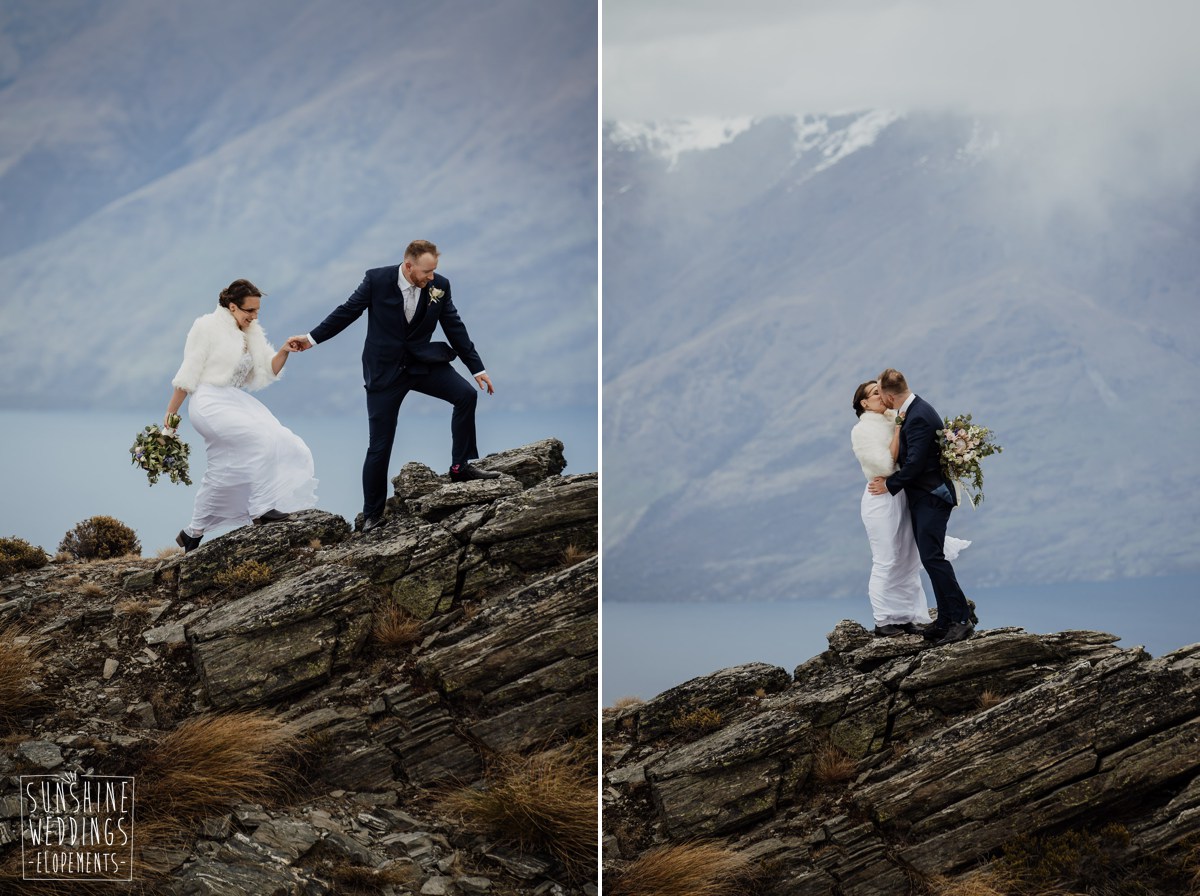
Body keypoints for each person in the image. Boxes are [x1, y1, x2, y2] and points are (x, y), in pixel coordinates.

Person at [286, 240, 497, 532]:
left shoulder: (440, 286)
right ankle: (372, 514)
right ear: (408, 266)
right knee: (380, 445)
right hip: (385, 373)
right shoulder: (377, 279)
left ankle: (460, 467)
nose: (431, 277)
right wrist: (310, 339)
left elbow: (454, 326)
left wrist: (477, 368)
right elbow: (347, 312)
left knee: (465, 395)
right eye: (426, 272)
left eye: (434, 270)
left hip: (422, 364)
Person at [166, 279, 317, 552]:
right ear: (232, 306)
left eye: (258, 311)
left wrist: (284, 350)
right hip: (207, 401)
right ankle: (260, 510)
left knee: (266, 447)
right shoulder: (205, 327)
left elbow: (266, 370)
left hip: (233, 401)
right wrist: (170, 418)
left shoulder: (252, 331)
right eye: (250, 311)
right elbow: (187, 374)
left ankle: (192, 532)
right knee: (261, 439)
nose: (254, 316)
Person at [851, 380, 969, 637]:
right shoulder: (863, 430)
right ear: (864, 403)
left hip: (900, 494)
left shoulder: (897, 417)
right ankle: (883, 620)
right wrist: (896, 433)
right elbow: (884, 464)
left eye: (881, 391)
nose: (880, 396)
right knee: (885, 559)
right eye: (874, 394)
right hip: (881, 495)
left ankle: (907, 616)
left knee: (908, 559)